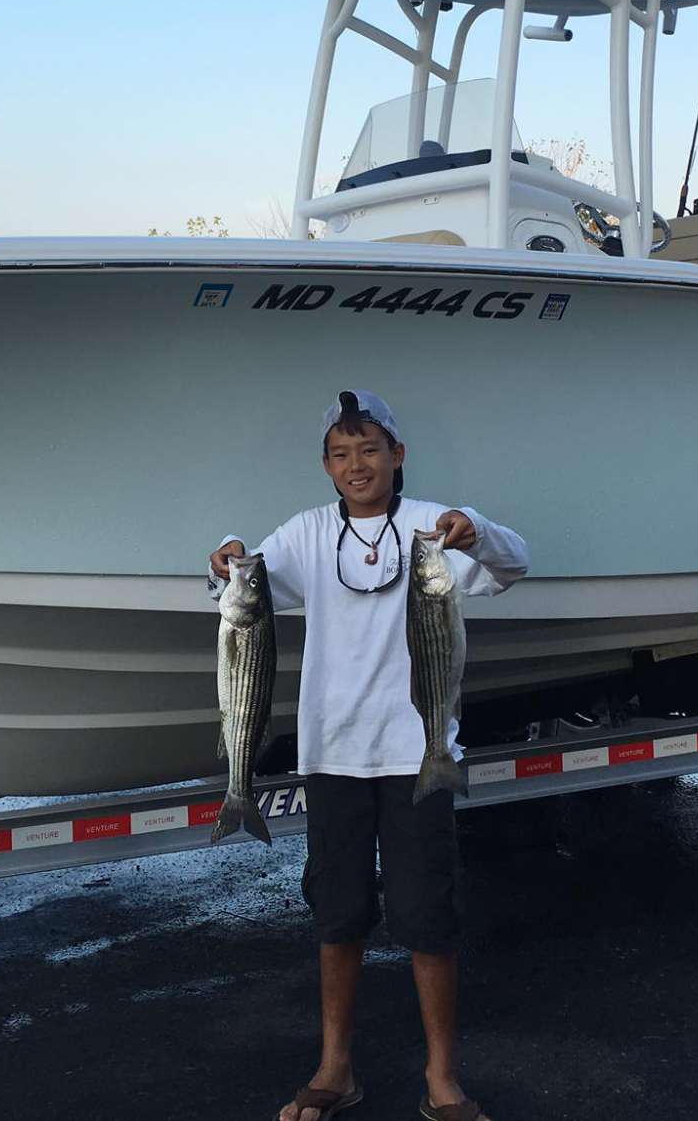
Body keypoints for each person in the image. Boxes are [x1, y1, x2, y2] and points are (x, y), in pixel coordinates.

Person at [208, 389, 529, 1121]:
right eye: (342, 453)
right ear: (326, 465)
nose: (357, 465)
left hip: (420, 755)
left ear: (398, 456)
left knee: (428, 915)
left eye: (371, 449)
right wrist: (225, 558)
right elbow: (243, 592)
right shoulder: (306, 533)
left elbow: (515, 565)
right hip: (334, 755)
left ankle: (442, 1080)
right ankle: (334, 1069)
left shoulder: (431, 527)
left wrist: (474, 530)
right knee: (338, 914)